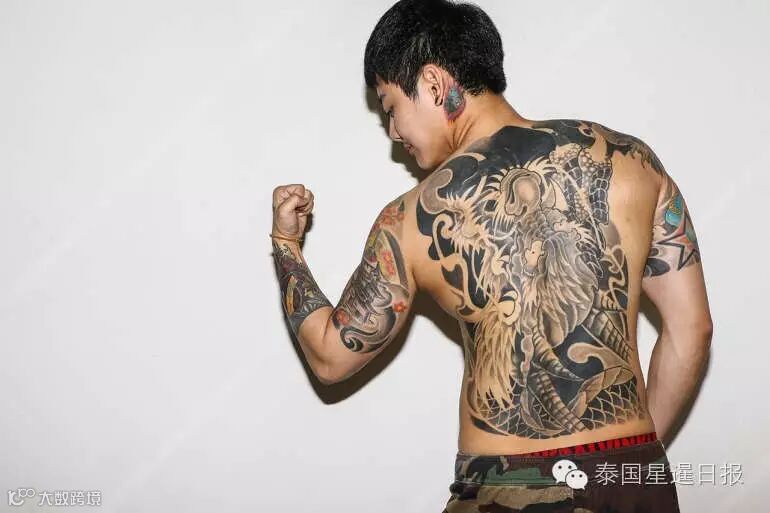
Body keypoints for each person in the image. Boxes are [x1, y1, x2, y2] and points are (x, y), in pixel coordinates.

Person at [270, 1, 713, 511]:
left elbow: (331, 356)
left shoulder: (411, 218)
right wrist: (631, 460)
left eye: (390, 107)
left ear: (433, 84)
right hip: (634, 481)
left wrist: (286, 246)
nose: (393, 132)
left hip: (514, 487)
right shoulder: (632, 162)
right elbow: (693, 329)